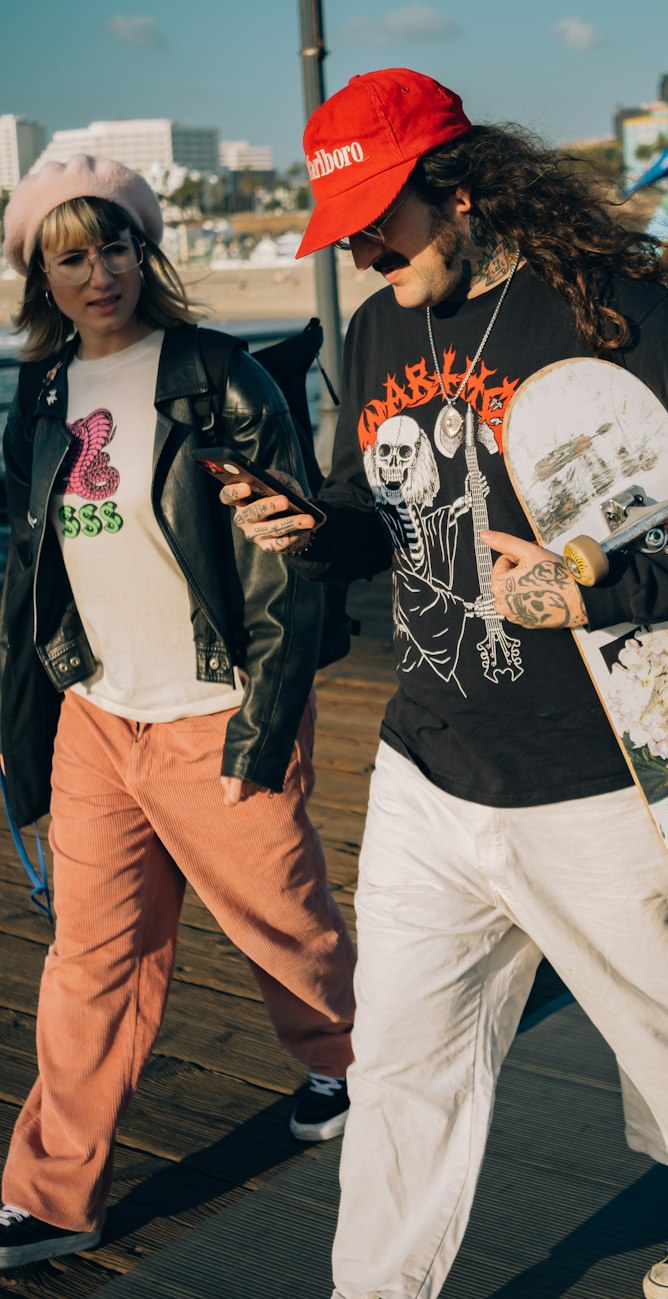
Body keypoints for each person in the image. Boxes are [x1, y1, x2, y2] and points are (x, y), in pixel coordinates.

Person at [228, 69, 668, 1299]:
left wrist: (600, 590)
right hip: (428, 765)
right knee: (397, 1060)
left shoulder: (607, 309)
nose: (370, 247)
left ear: (465, 187)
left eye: (387, 214)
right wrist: (306, 528)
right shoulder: (380, 324)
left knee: (664, 1024)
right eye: (351, 228)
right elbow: (368, 511)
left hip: (591, 767)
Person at [0, 155, 356, 1271]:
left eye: (113, 247)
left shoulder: (217, 372)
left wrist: (264, 718)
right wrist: (29, 721)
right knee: (88, 961)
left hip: (216, 703)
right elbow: (32, 565)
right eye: (69, 255)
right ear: (38, 277)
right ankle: (56, 1195)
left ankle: (349, 1062)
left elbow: (290, 565)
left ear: (142, 255)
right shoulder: (43, 392)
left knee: (283, 925)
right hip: (98, 715)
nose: (96, 272)